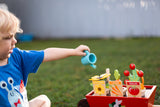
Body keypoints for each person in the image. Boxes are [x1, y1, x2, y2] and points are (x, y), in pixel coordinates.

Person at [0, 9, 90, 107]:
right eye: (8, 37)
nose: (15, 41)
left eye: (14, 35)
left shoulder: (17, 56)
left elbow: (46, 53)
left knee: (43, 100)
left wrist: (73, 51)